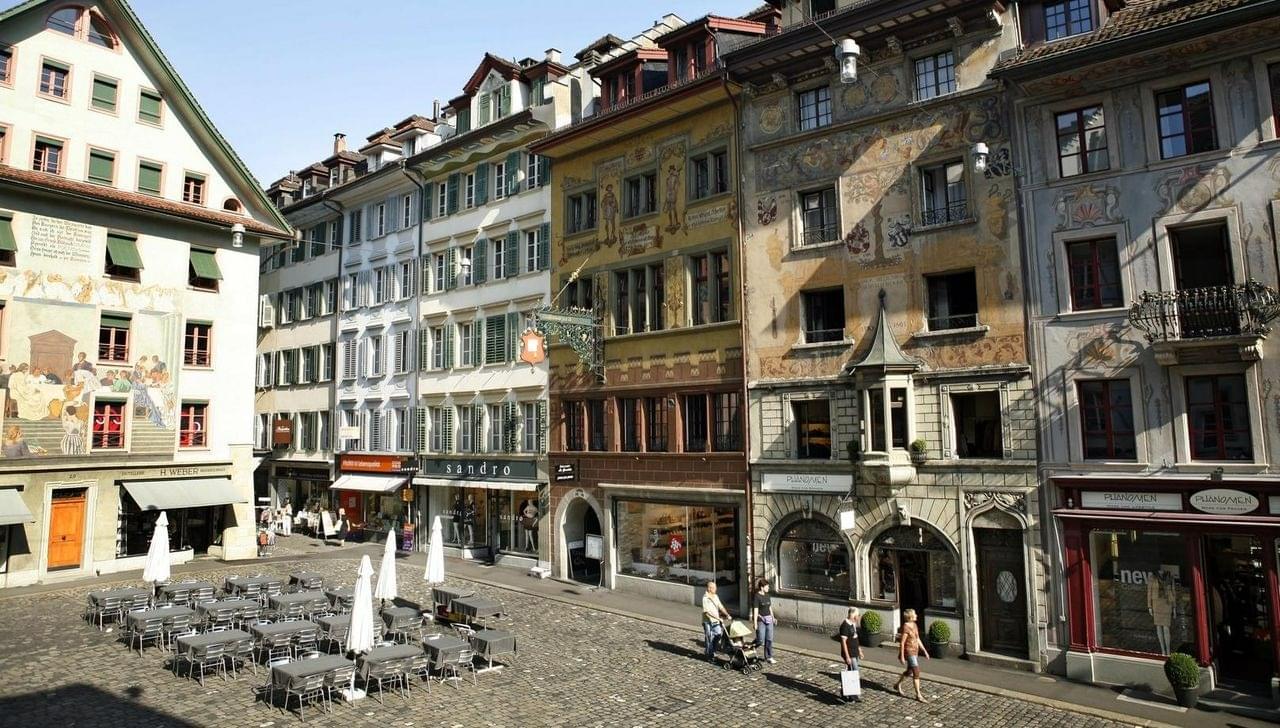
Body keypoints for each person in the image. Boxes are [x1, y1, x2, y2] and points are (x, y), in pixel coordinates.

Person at [894, 608, 930, 702]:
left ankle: (897, 685)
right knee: (916, 671)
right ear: (910, 617)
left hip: (915, 651)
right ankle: (918, 695)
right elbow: (902, 643)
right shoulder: (906, 627)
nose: (917, 615)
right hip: (909, 651)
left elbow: (918, 639)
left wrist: (924, 651)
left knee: (909, 671)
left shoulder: (914, 625)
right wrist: (902, 656)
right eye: (915, 614)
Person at [838, 607, 865, 703]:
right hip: (850, 653)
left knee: (851, 673)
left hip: (855, 652)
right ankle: (853, 695)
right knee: (854, 672)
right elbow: (843, 642)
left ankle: (847, 693)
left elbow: (855, 639)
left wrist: (860, 651)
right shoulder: (845, 626)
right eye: (858, 615)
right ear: (854, 616)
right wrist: (847, 656)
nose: (859, 617)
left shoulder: (853, 624)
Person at [701, 581, 730, 663]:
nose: (716, 589)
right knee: (709, 638)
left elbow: (720, 606)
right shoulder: (705, 598)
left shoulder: (715, 596)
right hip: (708, 622)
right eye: (714, 587)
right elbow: (707, 612)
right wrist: (718, 618)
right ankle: (710, 656)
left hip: (716, 621)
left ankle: (712, 650)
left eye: (716, 587)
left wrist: (727, 614)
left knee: (718, 635)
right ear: (709, 588)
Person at [751, 578, 776, 665]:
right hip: (761, 620)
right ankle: (751, 646)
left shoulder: (767, 595)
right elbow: (755, 610)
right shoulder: (757, 596)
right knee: (760, 639)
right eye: (767, 587)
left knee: (769, 639)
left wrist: (773, 617)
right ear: (762, 587)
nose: (768, 588)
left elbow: (769, 607)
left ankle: (769, 656)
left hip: (769, 619)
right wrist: (755, 623)